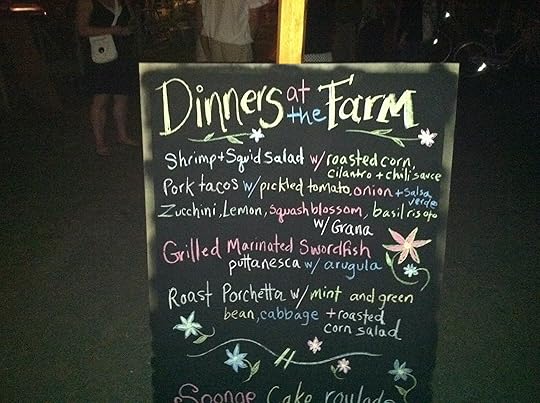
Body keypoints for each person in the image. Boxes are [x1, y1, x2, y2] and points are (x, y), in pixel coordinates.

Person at [76, 0, 138, 156]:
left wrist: (128, 29)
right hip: (102, 56)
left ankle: (122, 135)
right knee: (101, 99)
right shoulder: (88, 3)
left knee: (122, 96)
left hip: (122, 53)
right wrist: (111, 30)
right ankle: (100, 142)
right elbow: (82, 29)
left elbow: (132, 21)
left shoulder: (121, 2)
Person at [195, 0, 269, 63]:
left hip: (213, 38)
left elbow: (200, 11)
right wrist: (250, 38)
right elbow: (254, 15)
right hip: (237, 40)